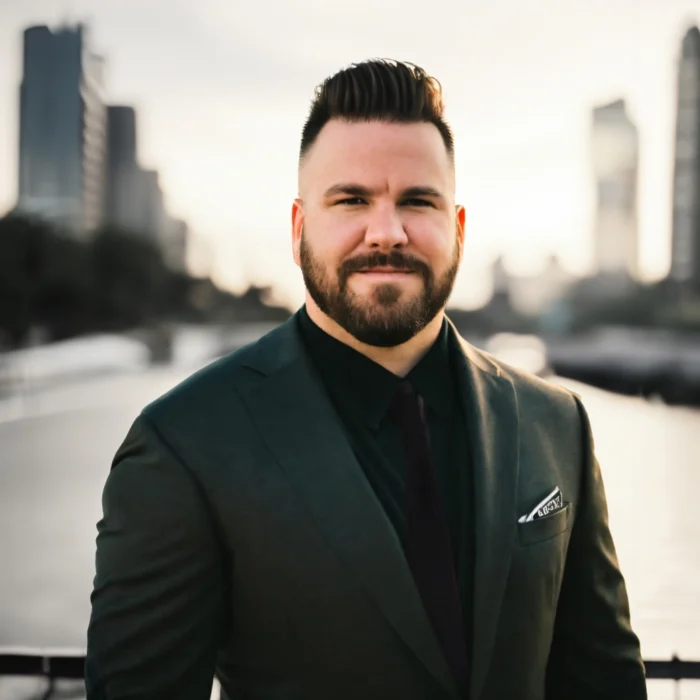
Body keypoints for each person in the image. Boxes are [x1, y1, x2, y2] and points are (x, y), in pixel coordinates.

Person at [85, 59, 647, 700]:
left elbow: (605, 682)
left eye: (417, 200)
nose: (387, 232)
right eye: (351, 199)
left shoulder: (558, 425)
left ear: (457, 230)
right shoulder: (182, 446)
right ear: (299, 231)